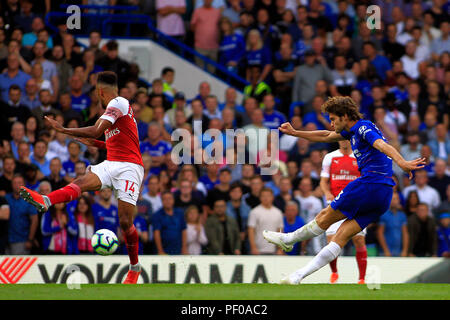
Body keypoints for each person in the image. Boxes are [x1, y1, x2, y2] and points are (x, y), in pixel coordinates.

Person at [263, 96, 425, 284]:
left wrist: (402, 162)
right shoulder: (352, 132)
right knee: (340, 237)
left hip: (370, 184)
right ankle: (298, 276)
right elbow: (325, 135)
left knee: (325, 217)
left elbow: (381, 145)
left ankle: (289, 239)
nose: (331, 123)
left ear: (345, 116)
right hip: (383, 196)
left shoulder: (363, 128)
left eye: (333, 119)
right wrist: (295, 133)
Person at [18, 71, 144, 284]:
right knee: (81, 182)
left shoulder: (118, 103)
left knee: (125, 221)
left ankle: (134, 267)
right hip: (112, 163)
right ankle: (46, 200)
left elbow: (96, 131)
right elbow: (118, 142)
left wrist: (63, 129)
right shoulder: (117, 112)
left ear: (100, 91)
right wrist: (98, 144)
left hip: (130, 168)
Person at [320, 139, 368, 284]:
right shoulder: (330, 157)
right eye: (341, 139)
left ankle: (361, 279)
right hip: (335, 204)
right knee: (331, 241)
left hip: (355, 204)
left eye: (346, 138)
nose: (344, 141)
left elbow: (366, 179)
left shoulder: (359, 157)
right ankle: (334, 273)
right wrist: (327, 193)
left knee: (359, 239)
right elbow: (323, 181)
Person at [5, 174, 38, 255]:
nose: (17, 185)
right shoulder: (6, 198)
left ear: (24, 185)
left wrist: (30, 239)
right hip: (5, 240)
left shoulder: (29, 200)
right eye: (15, 183)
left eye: (19, 183)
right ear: (11, 184)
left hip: (22, 240)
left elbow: (34, 220)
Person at [248, 187, 284, 255]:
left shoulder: (278, 212)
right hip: (258, 250)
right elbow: (251, 230)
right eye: (263, 196)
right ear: (260, 198)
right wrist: (253, 247)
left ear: (272, 197)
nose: (266, 198)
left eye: (268, 196)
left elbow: (280, 231)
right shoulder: (254, 212)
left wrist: (280, 248)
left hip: (273, 250)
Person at [377, 192, 409, 257]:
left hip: (399, 252)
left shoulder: (402, 215)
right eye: (392, 199)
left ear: (399, 200)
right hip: (385, 252)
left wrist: (405, 250)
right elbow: (380, 233)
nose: (394, 201)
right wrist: (386, 250)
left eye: (396, 199)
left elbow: (405, 234)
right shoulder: (383, 215)